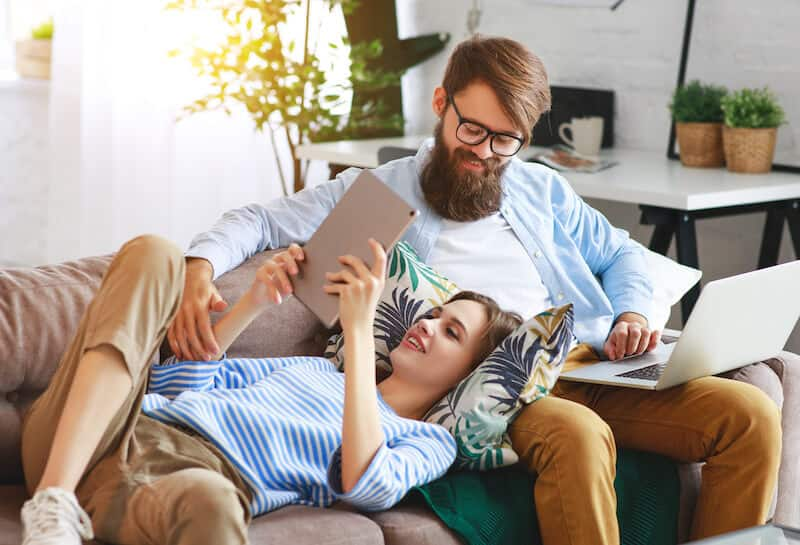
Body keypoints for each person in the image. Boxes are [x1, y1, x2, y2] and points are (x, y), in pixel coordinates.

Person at [164, 35, 782, 544]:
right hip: (494, 384)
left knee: (750, 414)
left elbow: (621, 254)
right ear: (441, 104)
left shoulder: (541, 190)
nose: (485, 154)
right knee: (574, 433)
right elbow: (260, 221)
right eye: (472, 131)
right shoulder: (381, 191)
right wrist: (198, 268)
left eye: (505, 140)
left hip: (583, 363)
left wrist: (630, 311)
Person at [19, 234, 524, 545]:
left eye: (451, 333)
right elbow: (174, 386)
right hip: (97, 432)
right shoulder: (316, 371)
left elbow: (369, 484)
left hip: (182, 484)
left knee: (216, 508)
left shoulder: (428, 441)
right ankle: (53, 501)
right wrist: (254, 303)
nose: (429, 326)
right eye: (436, 314)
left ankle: (65, 504)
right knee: (157, 253)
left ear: (467, 376)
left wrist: (360, 329)